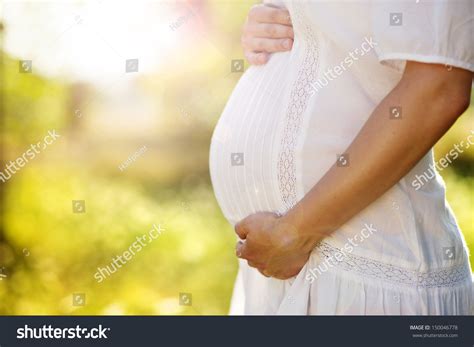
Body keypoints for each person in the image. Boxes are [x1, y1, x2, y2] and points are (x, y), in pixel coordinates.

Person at [209, 1, 473, 314]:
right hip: (287, 269)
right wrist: (273, 22)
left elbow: (439, 87)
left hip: (369, 277)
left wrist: (294, 233)